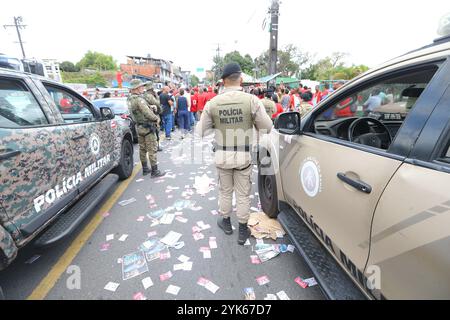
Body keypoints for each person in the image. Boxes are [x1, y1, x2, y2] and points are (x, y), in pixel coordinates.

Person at [196, 62, 273, 245]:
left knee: (225, 192)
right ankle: (242, 230)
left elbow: (200, 131)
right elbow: (267, 127)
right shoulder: (252, 101)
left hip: (222, 155)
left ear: (222, 81)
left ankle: (226, 222)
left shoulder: (213, 103)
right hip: (244, 156)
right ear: (241, 79)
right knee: (243, 194)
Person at [127, 79, 164, 178]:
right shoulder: (139, 99)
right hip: (147, 127)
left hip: (138, 126)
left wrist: (150, 107)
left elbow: (137, 111)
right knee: (152, 149)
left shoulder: (130, 99)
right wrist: (156, 119)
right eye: (141, 87)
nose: (143, 88)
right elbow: (146, 113)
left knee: (142, 149)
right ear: (136, 88)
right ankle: (154, 171)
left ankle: (145, 169)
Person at [143, 82, 163, 151]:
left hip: (148, 115)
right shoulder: (150, 96)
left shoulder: (144, 95)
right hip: (153, 114)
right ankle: (156, 146)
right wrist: (157, 96)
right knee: (156, 130)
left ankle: (151, 146)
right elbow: (157, 103)